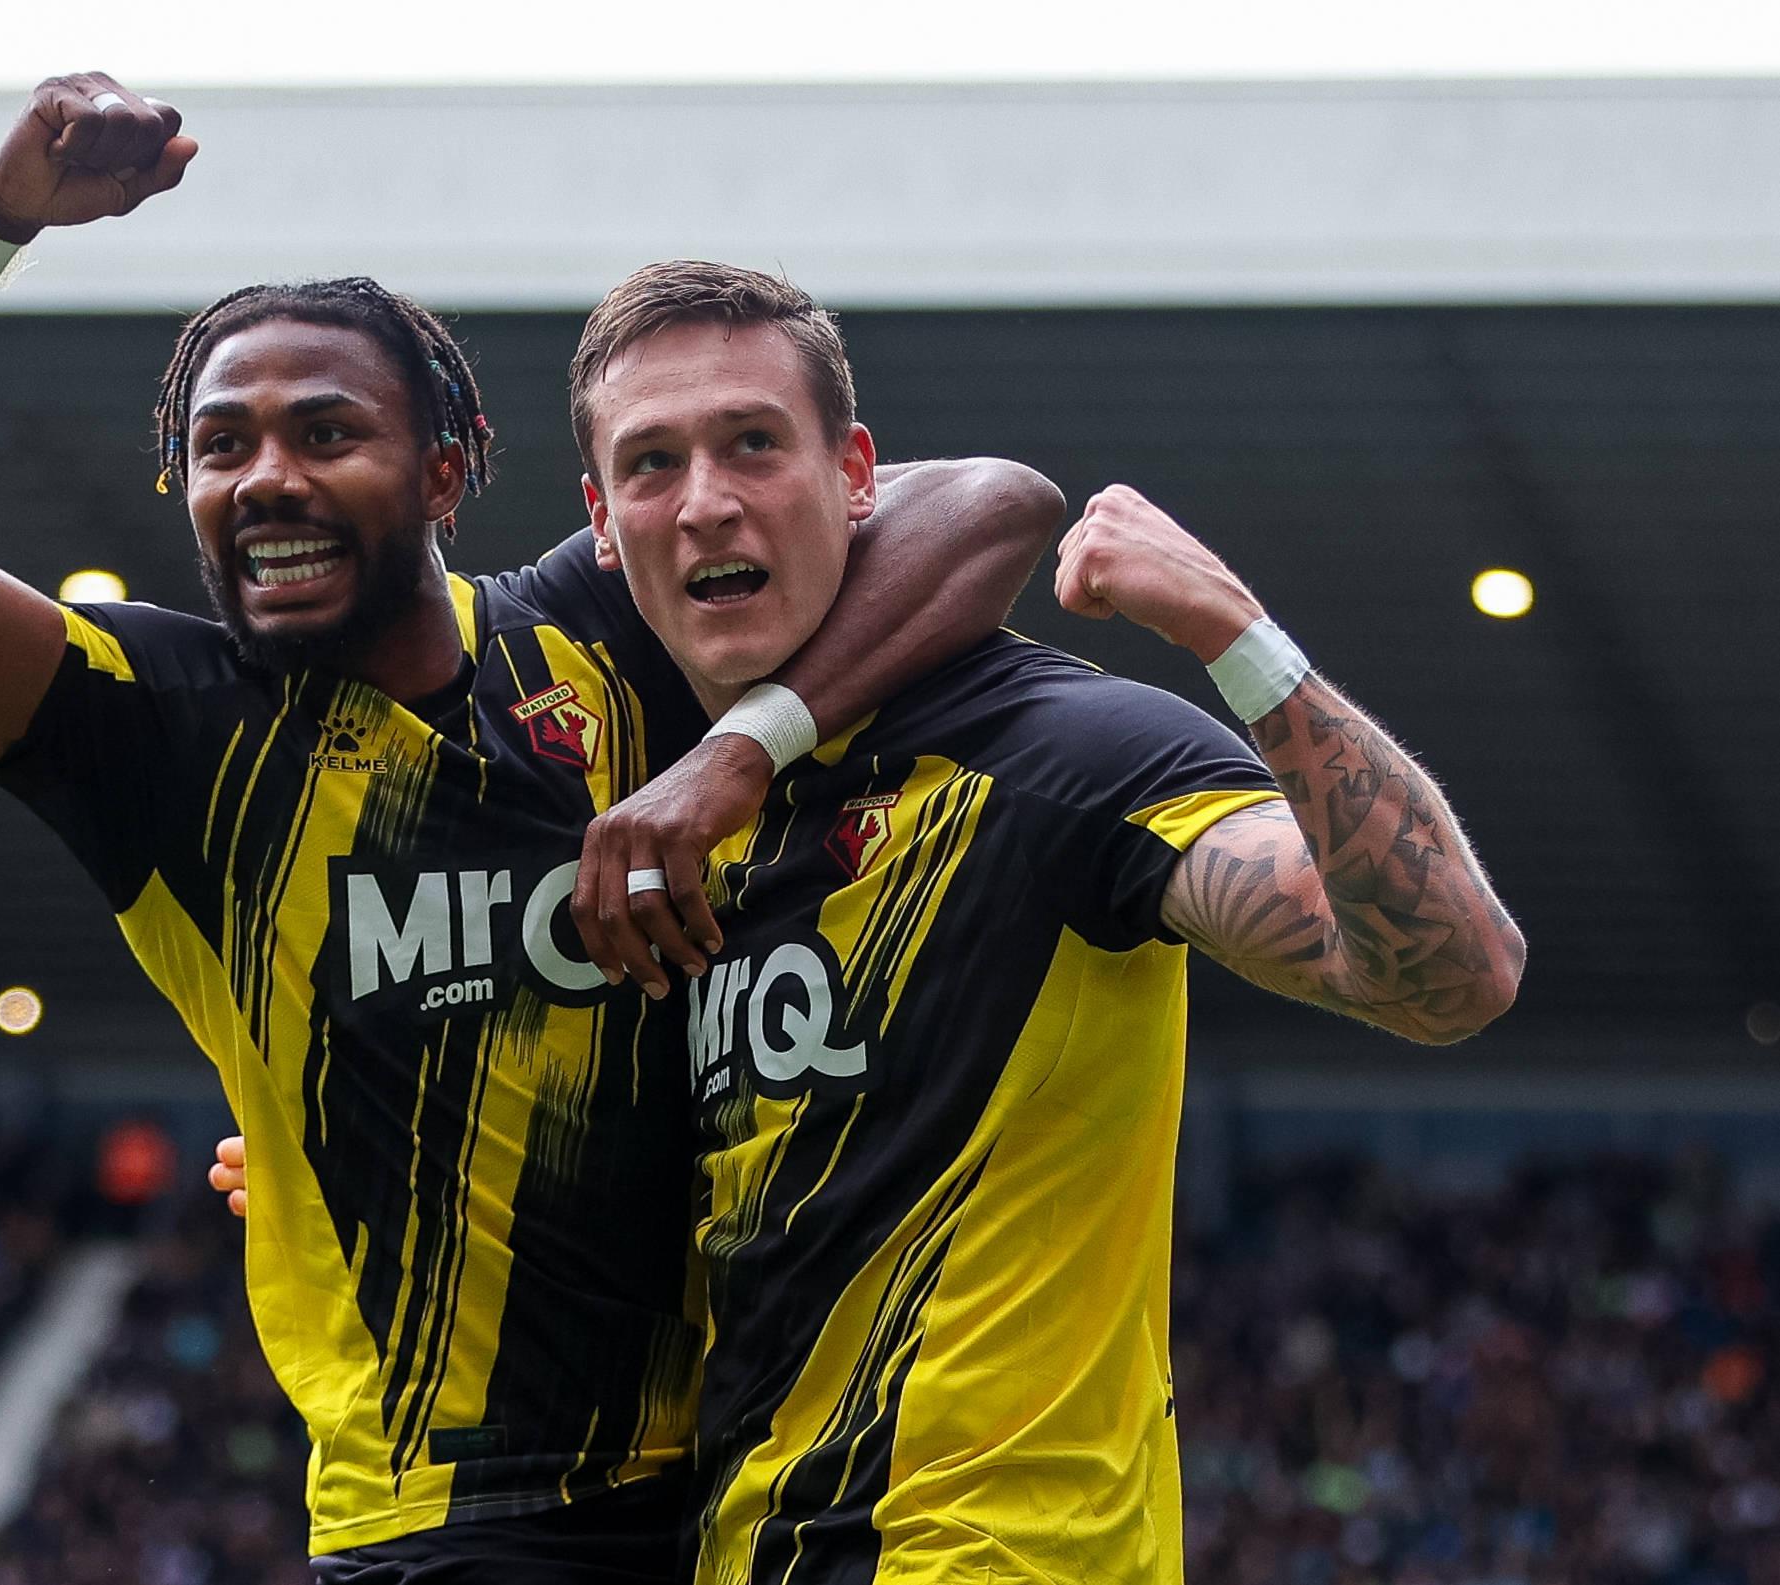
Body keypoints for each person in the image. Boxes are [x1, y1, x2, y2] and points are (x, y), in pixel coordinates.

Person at [0, 76, 1063, 1581]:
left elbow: (994, 502)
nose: (269, 475)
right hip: (442, 1531)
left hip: (734, 1498)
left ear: (440, 474)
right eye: (221, 446)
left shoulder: (599, 632)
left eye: (325, 430)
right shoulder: (162, 728)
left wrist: (733, 755)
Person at [218, 261, 1525, 1582]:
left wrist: (1240, 642)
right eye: (653, 463)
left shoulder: (1059, 751)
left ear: (855, 471)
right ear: (602, 524)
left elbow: (1452, 975)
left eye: (751, 444)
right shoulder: (679, 829)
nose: (707, 500)